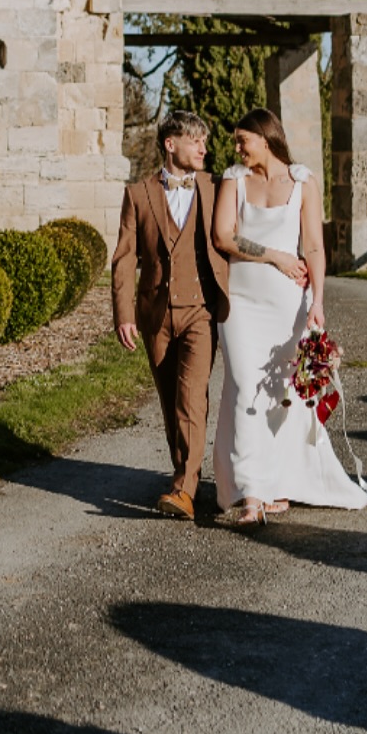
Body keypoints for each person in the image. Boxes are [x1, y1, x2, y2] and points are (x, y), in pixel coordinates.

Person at [211, 106, 367, 524]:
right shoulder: (233, 180)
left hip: (288, 308)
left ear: (265, 138)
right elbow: (223, 236)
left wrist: (318, 301)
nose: (237, 147)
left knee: (281, 394)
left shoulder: (303, 183)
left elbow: (315, 247)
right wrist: (276, 256)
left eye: (242, 139)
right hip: (240, 304)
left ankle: (277, 483)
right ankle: (250, 493)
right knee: (245, 387)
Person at [111, 109, 241, 521]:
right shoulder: (137, 194)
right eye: (196, 141)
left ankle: (184, 489)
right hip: (155, 315)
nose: (205, 148)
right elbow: (124, 258)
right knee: (171, 404)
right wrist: (123, 313)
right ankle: (184, 473)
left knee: (191, 397)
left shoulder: (215, 185)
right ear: (171, 144)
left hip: (201, 312)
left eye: (205, 141)